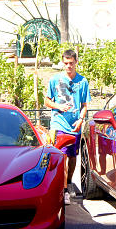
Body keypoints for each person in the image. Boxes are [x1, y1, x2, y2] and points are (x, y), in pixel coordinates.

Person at [44, 49, 90, 204]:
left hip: (74, 126)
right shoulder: (54, 80)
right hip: (58, 123)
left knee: (71, 157)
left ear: (76, 62)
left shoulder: (82, 82)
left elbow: (84, 105)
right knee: (60, 156)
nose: (68, 66)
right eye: (65, 63)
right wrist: (58, 105)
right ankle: (62, 190)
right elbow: (47, 101)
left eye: (71, 63)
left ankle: (68, 182)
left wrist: (81, 120)